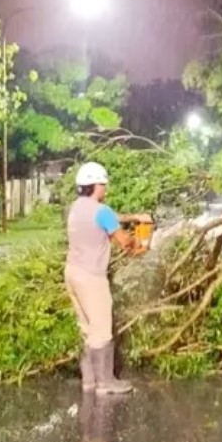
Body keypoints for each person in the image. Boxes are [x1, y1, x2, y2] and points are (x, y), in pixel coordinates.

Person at [65, 162, 152, 395]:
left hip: (72, 274)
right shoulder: (100, 211)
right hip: (91, 277)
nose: (106, 188)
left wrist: (135, 217)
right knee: (102, 329)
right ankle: (106, 383)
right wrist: (139, 241)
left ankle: (90, 381)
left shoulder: (77, 207)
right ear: (95, 185)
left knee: (86, 328)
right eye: (103, 184)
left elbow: (110, 217)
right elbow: (123, 240)